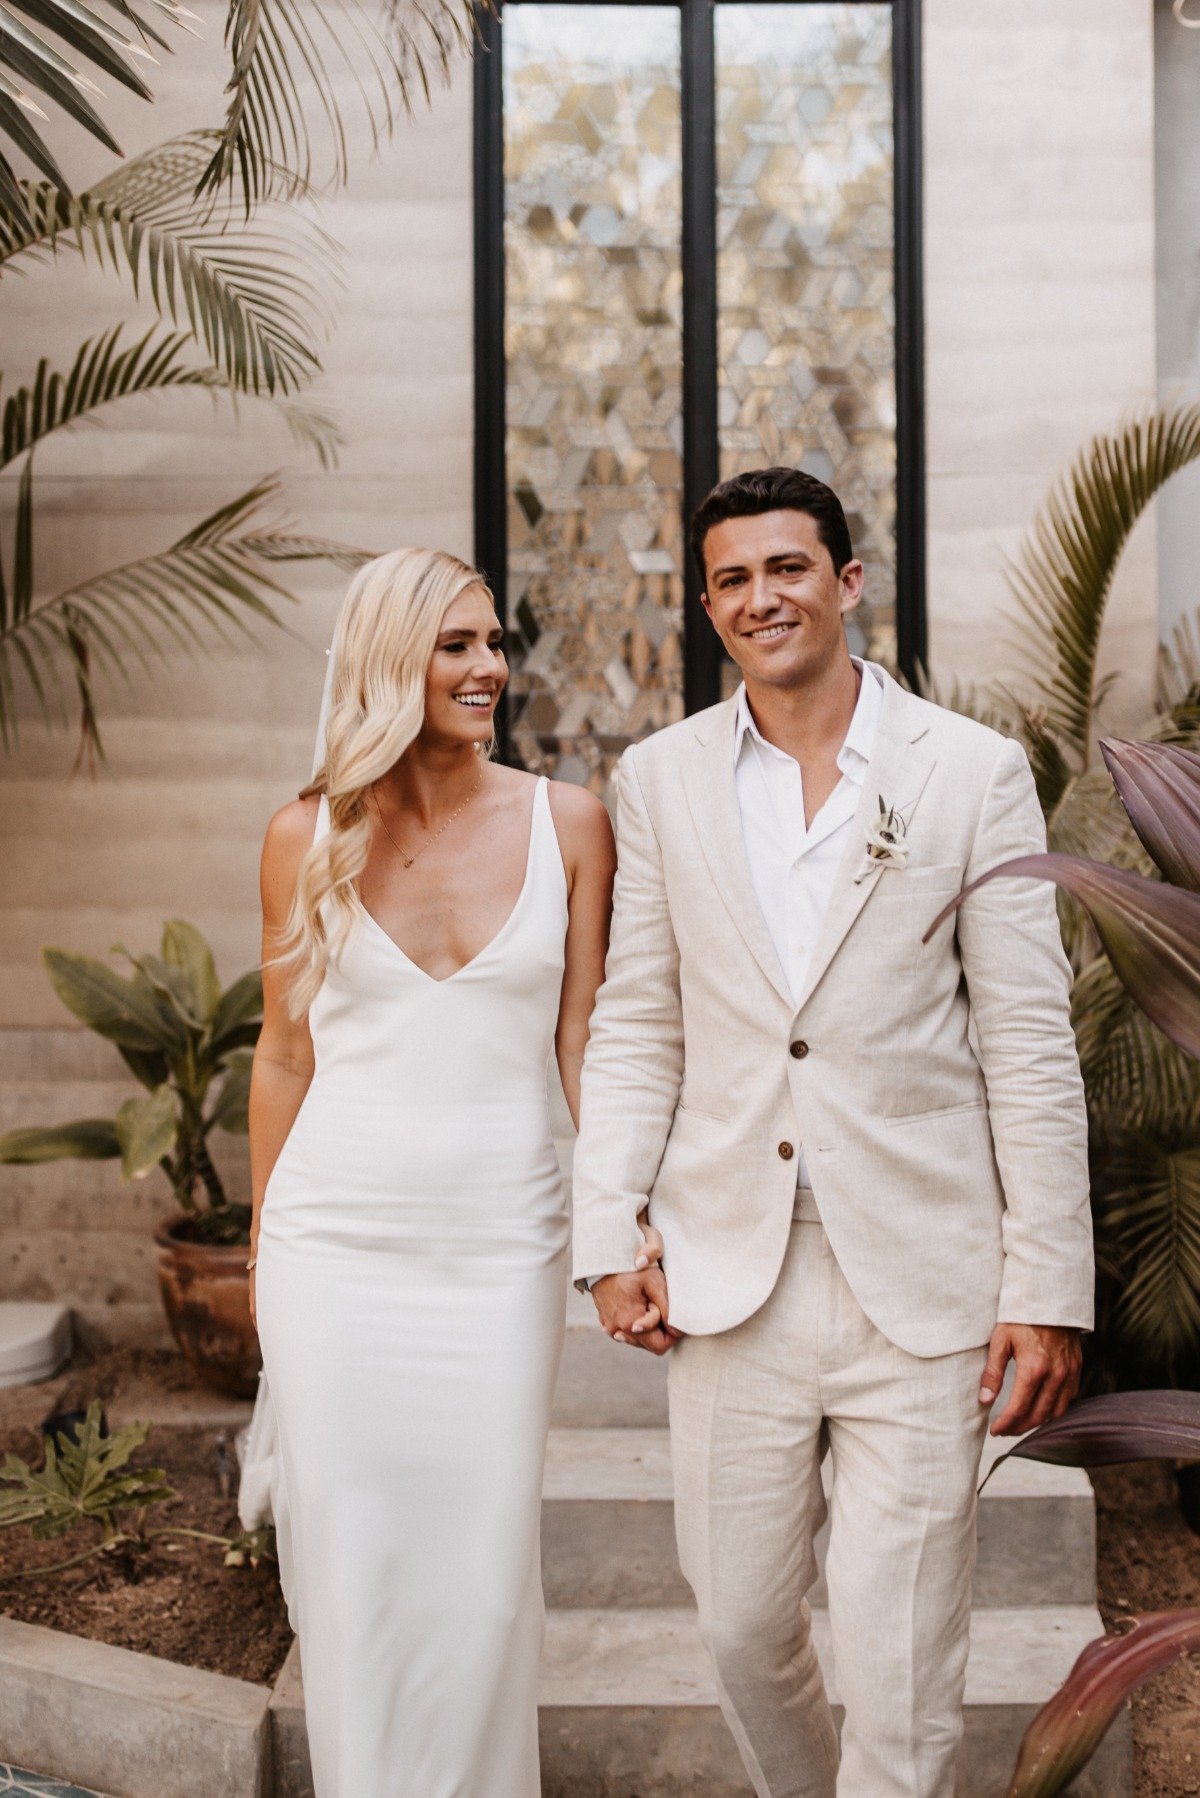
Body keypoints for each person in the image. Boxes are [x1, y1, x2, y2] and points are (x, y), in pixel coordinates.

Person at [571, 467, 1094, 1798]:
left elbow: (1028, 1040)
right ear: (708, 605)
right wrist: (606, 1225)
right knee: (745, 1627)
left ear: (847, 581)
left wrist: (1048, 1285)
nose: (763, 597)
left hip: (923, 1279)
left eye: (788, 568)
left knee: (904, 1663)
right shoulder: (660, 779)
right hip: (727, 1269)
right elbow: (640, 1019)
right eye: (733, 578)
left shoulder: (970, 772)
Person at [246, 547, 659, 1798]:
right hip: (332, 1250)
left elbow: (587, 1040)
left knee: (481, 1584)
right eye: (457, 646)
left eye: (493, 642)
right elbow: (283, 1053)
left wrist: (623, 1220)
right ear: (388, 662)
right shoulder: (303, 835)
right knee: (355, 1570)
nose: (490, 668)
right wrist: (267, 1248)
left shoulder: (570, 822)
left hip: (497, 1248)